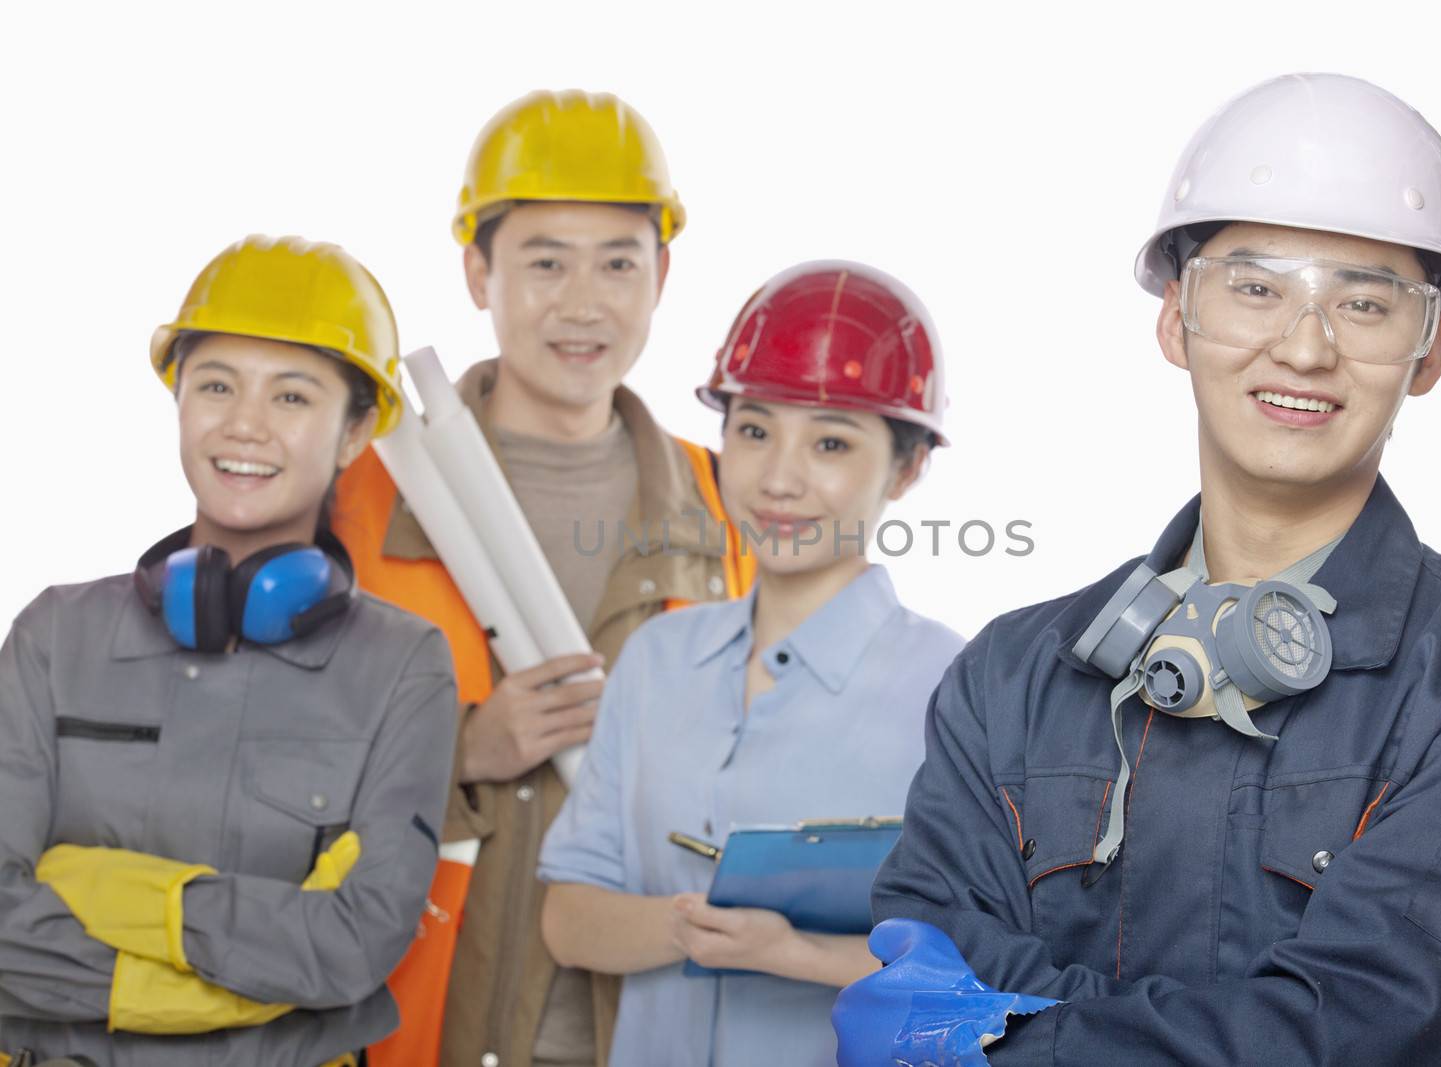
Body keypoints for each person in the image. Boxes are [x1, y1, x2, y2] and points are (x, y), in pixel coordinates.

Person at [836, 73, 1441, 1065]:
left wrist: (1005, 1034)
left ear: (1426, 350)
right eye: (1254, 287)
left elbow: (1358, 1030)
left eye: (1364, 303)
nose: (1303, 345)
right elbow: (920, 972)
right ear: (1175, 318)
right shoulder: (1009, 676)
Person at [332, 90, 755, 1067]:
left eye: (617, 261)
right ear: (478, 271)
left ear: (662, 274)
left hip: (650, 1023)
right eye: (544, 261)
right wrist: (462, 751)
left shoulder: (726, 503)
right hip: (416, 1018)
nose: (583, 301)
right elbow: (261, 766)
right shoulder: (360, 497)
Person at [0, 235, 457, 1066]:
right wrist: (234, 980)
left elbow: (356, 944)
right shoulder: (53, 637)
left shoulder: (404, 667)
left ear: (355, 433)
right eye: (216, 385)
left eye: (291, 396)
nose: (245, 425)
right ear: (179, 399)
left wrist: (104, 893)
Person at [536, 262, 968, 1066]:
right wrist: (680, 923)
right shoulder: (658, 658)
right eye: (755, 428)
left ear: (907, 468)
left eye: (832, 442)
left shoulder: (960, 689)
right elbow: (567, 914)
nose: (778, 478)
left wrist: (786, 950)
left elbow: (977, 969)